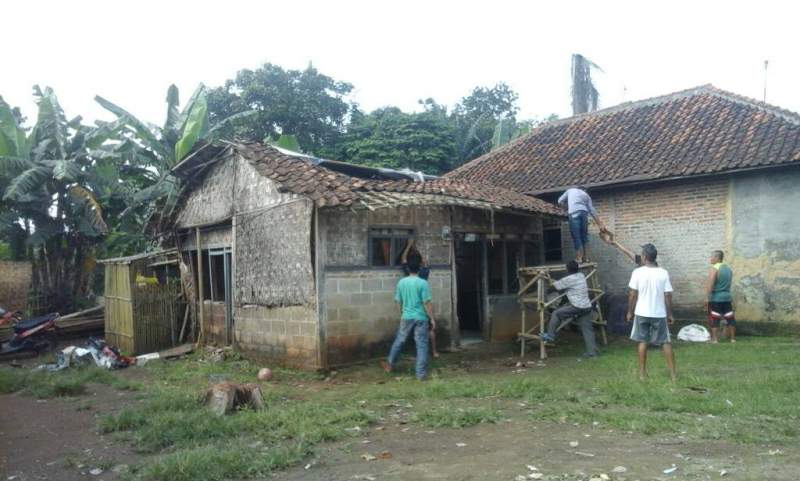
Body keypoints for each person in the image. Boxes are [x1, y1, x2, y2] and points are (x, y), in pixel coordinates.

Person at [626, 244, 677, 382]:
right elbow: (668, 295)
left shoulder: (637, 272)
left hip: (641, 312)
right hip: (659, 313)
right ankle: (673, 375)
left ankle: (642, 374)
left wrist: (630, 311)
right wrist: (670, 314)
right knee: (665, 342)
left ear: (644, 257)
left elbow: (632, 294)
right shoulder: (663, 273)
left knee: (642, 341)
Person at [381, 256, 436, 380]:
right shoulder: (423, 283)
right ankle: (421, 375)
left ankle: (389, 365)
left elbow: (398, 301)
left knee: (399, 340)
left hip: (406, 316)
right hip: (421, 317)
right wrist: (432, 318)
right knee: (422, 345)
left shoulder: (401, 282)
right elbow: (426, 303)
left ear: (408, 268)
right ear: (419, 268)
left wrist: (401, 314)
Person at [540, 260, 598, 357]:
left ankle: (550, 335)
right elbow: (562, 284)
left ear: (567, 269)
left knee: (556, 313)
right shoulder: (581, 275)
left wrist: (547, 277)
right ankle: (592, 353)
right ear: (577, 269)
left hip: (576, 306)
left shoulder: (568, 279)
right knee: (588, 330)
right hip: (587, 306)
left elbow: (554, 286)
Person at [400, 239, 438, 357]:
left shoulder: (408, 272)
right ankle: (434, 351)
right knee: (430, 328)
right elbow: (425, 261)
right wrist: (416, 248)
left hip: (412, 305)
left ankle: (417, 354)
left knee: (414, 331)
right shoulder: (425, 271)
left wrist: (409, 245)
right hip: (424, 302)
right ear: (420, 263)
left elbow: (403, 258)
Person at [558, 186, 607, 263]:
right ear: (584, 190)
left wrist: (566, 207)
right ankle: (586, 258)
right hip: (584, 213)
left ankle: (579, 258)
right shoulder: (586, 195)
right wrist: (600, 224)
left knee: (576, 236)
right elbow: (592, 210)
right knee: (584, 236)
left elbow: (560, 201)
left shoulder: (570, 190)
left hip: (574, 213)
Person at [705, 250, 735, 343]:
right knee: (730, 317)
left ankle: (714, 339)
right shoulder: (728, 269)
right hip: (727, 297)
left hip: (716, 297)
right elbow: (729, 284)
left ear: (717, 258)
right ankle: (733, 338)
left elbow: (710, 283)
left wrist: (707, 297)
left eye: (712, 256)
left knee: (714, 317)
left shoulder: (714, 268)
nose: (711, 258)